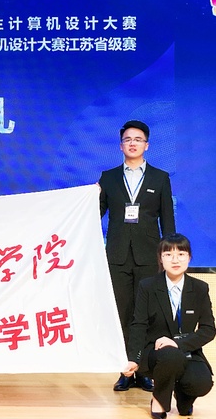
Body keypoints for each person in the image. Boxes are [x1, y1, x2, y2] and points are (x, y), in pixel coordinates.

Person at [99, 120, 176, 392]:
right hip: (117, 256)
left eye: (138, 139)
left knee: (145, 315)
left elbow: (168, 220)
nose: (133, 143)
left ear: (147, 145)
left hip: (149, 256)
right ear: (121, 146)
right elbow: (93, 214)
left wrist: (169, 256)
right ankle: (125, 371)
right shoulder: (108, 178)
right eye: (128, 139)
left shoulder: (160, 178)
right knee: (122, 313)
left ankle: (143, 370)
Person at [123, 233, 215, 417]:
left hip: (186, 349)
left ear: (189, 257)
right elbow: (139, 324)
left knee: (202, 382)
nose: (175, 259)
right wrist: (133, 358)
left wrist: (178, 343)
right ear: (160, 258)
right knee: (170, 356)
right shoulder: (147, 286)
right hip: (155, 352)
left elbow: (208, 329)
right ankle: (159, 400)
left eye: (181, 254)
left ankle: (183, 397)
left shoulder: (199, 288)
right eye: (168, 254)